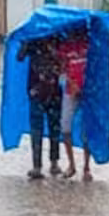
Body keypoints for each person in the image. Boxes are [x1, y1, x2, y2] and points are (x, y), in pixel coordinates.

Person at [17, 35, 62, 179]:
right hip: (37, 92)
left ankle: (53, 162)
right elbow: (19, 57)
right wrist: (25, 42)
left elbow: (64, 62)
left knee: (54, 128)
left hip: (53, 92)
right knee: (37, 130)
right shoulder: (33, 42)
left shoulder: (58, 39)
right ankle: (37, 166)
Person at [57, 25, 92, 181]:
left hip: (88, 93)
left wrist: (85, 87)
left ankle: (86, 167)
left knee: (87, 129)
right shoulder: (65, 48)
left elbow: (96, 70)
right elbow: (62, 71)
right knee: (65, 126)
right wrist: (72, 84)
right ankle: (71, 165)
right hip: (70, 92)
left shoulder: (89, 47)